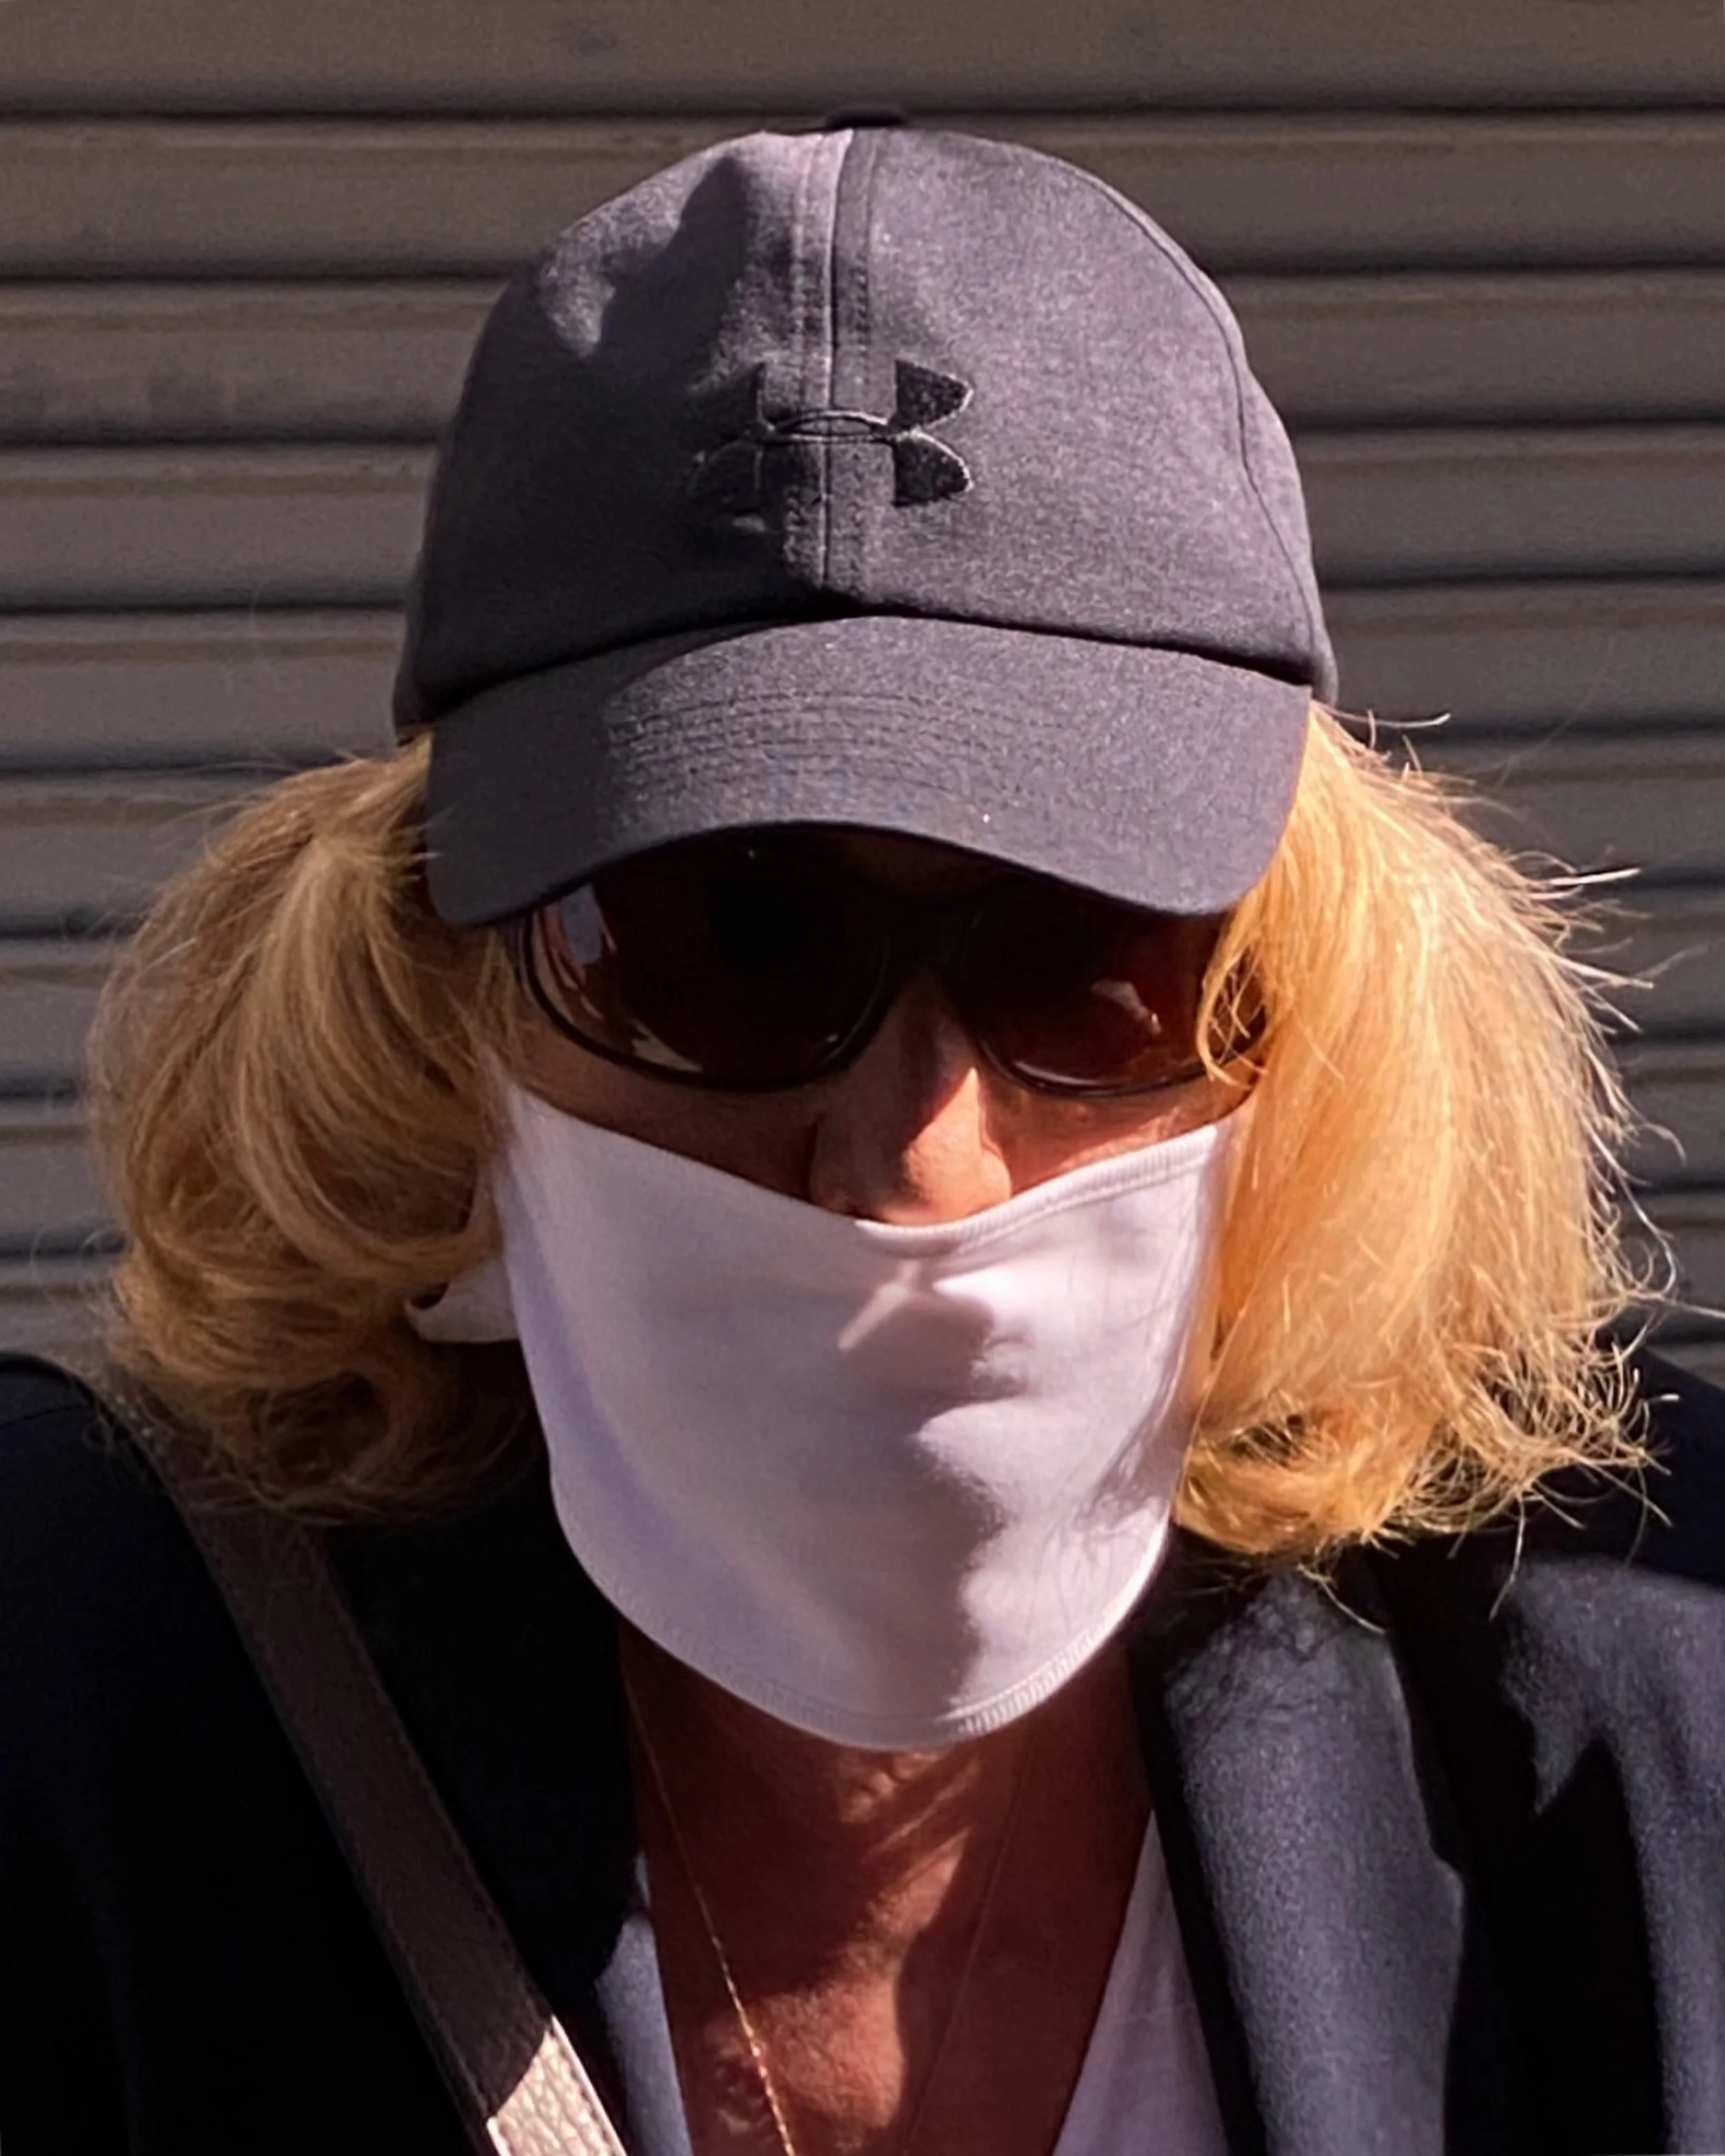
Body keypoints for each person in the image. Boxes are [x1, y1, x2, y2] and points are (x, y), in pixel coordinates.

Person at [2, 117, 1722, 2156]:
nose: (918, 1159)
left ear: (1303, 1016)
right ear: (439, 1004)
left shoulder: (1637, 1695)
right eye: (721, 942)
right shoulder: (77, 1694)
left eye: (1093, 957)